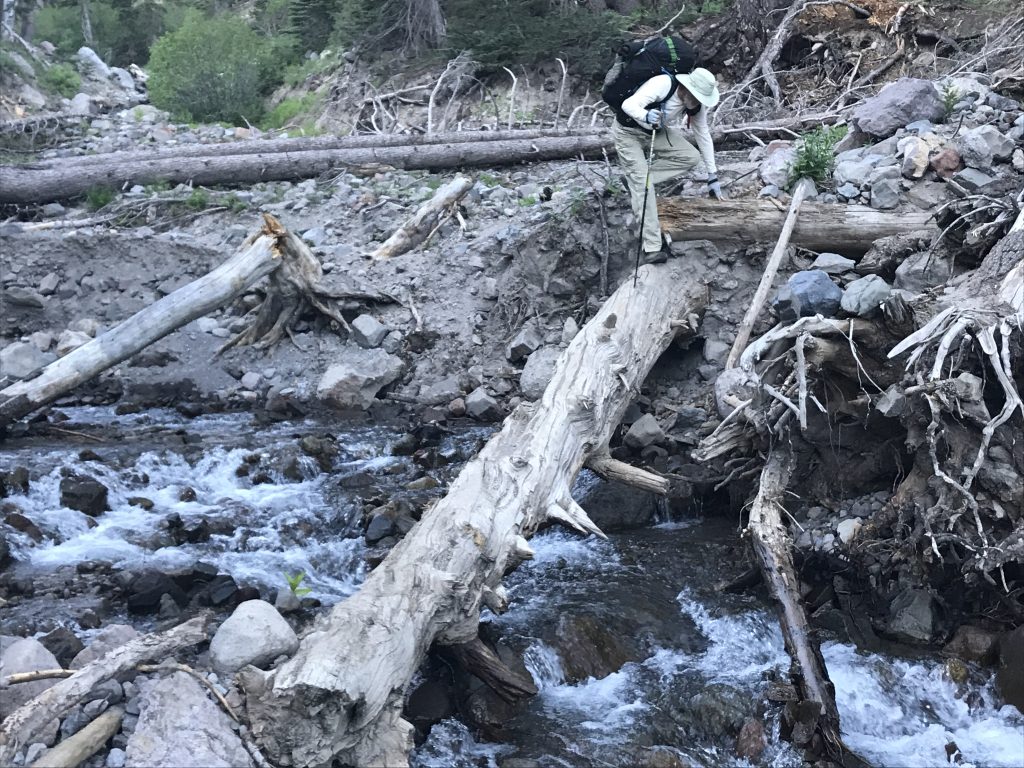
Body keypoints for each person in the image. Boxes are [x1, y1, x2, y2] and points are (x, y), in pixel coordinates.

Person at [613, 67, 723, 264]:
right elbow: (628, 105)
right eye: (697, 97)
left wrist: (712, 174)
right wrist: (645, 116)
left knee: (690, 156)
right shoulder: (663, 84)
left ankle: (638, 179)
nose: (698, 102)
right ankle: (653, 248)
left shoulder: (694, 106)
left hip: (655, 132)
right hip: (627, 132)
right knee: (644, 188)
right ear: (687, 88)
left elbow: (703, 135)